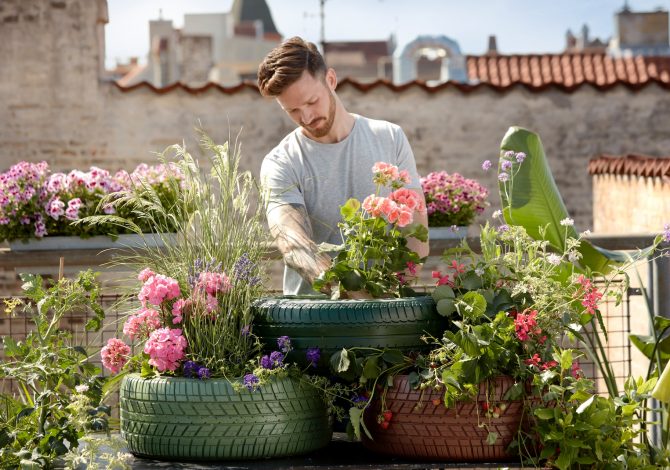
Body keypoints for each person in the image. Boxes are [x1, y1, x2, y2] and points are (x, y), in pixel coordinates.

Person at [257, 36, 428, 296]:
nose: (306, 117)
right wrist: (354, 298)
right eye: (292, 110)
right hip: (311, 322)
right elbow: (293, 243)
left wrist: (391, 295)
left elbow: (416, 232)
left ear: (331, 80)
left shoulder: (390, 138)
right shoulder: (280, 162)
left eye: (312, 101)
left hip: (385, 315)